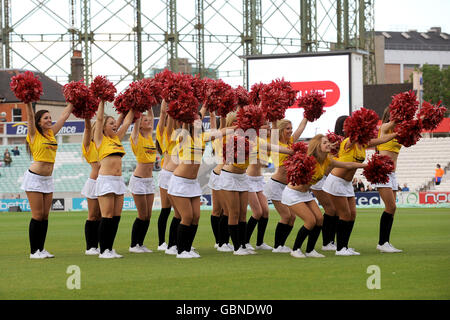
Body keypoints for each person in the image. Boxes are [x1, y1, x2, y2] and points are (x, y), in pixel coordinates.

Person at [322, 115, 397, 256]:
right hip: (336, 181)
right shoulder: (347, 142)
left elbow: (382, 139)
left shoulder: (363, 144)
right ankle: (340, 249)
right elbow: (354, 138)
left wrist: (398, 133)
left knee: (352, 215)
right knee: (344, 214)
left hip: (347, 183)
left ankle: (344, 246)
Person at [282, 134, 367, 258]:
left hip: (305, 194)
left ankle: (310, 250)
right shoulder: (308, 159)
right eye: (324, 143)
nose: (327, 144)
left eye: (328, 142)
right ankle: (295, 249)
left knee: (320, 220)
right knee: (310, 221)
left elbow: (348, 165)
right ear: (317, 146)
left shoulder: (327, 160)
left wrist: (367, 166)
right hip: (293, 193)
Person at [21, 102, 74, 259]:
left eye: (50, 118)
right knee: (37, 215)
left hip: (48, 179)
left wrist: (72, 101)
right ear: (38, 122)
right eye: (45, 118)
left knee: (45, 216)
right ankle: (33, 251)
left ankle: (41, 249)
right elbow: (30, 116)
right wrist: (28, 101)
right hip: (35, 178)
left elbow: (64, 117)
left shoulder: (51, 133)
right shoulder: (34, 134)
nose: (49, 120)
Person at [167, 106, 215, 258]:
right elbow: (187, 121)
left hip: (193, 183)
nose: (198, 120)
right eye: (195, 119)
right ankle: (180, 251)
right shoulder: (184, 135)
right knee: (186, 217)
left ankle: (187, 248)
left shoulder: (202, 138)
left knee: (196, 217)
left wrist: (241, 126)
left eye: (200, 119)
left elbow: (222, 132)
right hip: (180, 181)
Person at [94, 100, 135, 259]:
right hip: (106, 180)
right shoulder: (100, 139)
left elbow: (127, 121)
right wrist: (102, 101)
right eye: (110, 123)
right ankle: (103, 250)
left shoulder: (117, 139)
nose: (114, 125)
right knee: (107, 215)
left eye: (114, 123)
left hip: (118, 181)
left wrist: (134, 103)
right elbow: (98, 119)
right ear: (104, 127)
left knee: (116, 216)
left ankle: (110, 248)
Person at [264, 118, 308, 253]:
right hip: (276, 184)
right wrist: (275, 116)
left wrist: (307, 115)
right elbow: (274, 128)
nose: (290, 131)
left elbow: (301, 127)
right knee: (286, 216)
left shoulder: (291, 142)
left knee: (292, 217)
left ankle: (281, 245)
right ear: (281, 130)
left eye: (291, 128)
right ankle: (277, 246)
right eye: (287, 128)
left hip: (287, 186)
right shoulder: (274, 142)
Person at [371, 107, 404, 253]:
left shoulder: (398, 130)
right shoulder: (384, 127)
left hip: (392, 174)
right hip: (382, 172)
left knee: (392, 209)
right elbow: (393, 122)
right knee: (391, 207)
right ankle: (382, 243)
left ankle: (385, 242)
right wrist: (402, 112)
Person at [128, 109, 156, 253]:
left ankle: (141, 243)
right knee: (142, 214)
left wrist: (148, 103)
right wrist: (138, 109)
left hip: (149, 180)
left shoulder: (149, 136)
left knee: (148, 215)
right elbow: (137, 122)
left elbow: (151, 115)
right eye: (145, 121)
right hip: (139, 179)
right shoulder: (136, 138)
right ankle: (134, 245)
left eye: (149, 120)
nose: (149, 122)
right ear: (139, 125)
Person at [244, 122, 272, 251]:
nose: (269, 127)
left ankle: (260, 243)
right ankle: (245, 242)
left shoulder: (266, 142)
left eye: (269, 125)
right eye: (266, 125)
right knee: (257, 212)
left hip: (259, 179)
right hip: (248, 179)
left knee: (265, 212)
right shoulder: (252, 140)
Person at [81, 118, 101, 255]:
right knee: (93, 215)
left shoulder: (106, 144)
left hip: (107, 182)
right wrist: (87, 117)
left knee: (102, 216)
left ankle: (100, 245)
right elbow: (88, 129)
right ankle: (90, 246)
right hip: (94, 183)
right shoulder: (89, 145)